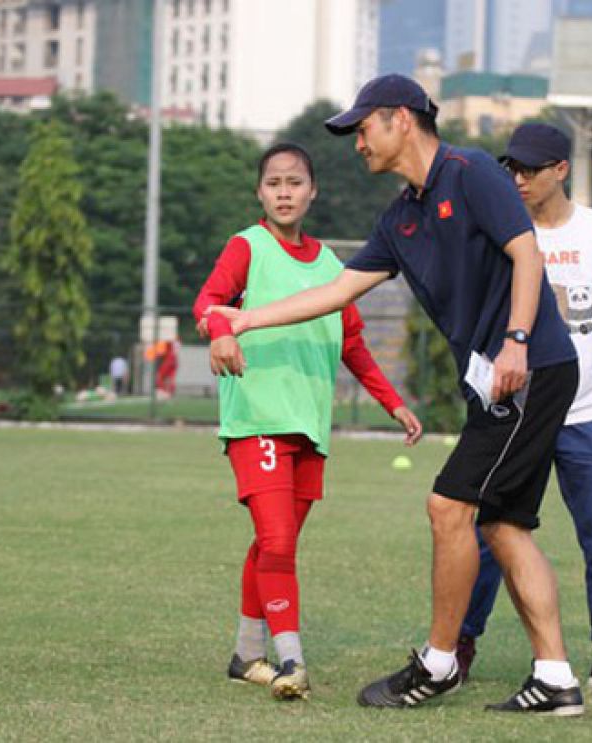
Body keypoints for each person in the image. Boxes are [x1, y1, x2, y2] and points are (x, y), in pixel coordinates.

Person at [208, 75, 584, 716]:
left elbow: (528, 256)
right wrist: (247, 318)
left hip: (529, 369)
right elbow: (334, 292)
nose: (357, 142)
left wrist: (518, 339)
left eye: (363, 128)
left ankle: (438, 664)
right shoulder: (400, 217)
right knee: (503, 524)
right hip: (497, 380)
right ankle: (555, 678)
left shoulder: (472, 174)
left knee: (448, 506)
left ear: (402, 120)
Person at [193, 142, 423, 702]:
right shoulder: (246, 247)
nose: (284, 192)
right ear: (259, 193)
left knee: (274, 542)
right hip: (257, 419)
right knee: (276, 541)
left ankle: (246, 654)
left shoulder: (330, 268)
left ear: (312, 190)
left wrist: (393, 402)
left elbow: (353, 346)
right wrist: (220, 333)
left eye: (295, 182)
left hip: (309, 429)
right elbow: (208, 304)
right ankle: (291, 658)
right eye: (274, 183)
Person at [454, 123, 592, 697]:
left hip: (587, 412)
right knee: (493, 532)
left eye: (530, 170)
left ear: (561, 170)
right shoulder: (501, 230)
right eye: (510, 169)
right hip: (516, 417)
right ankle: (463, 642)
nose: (517, 179)